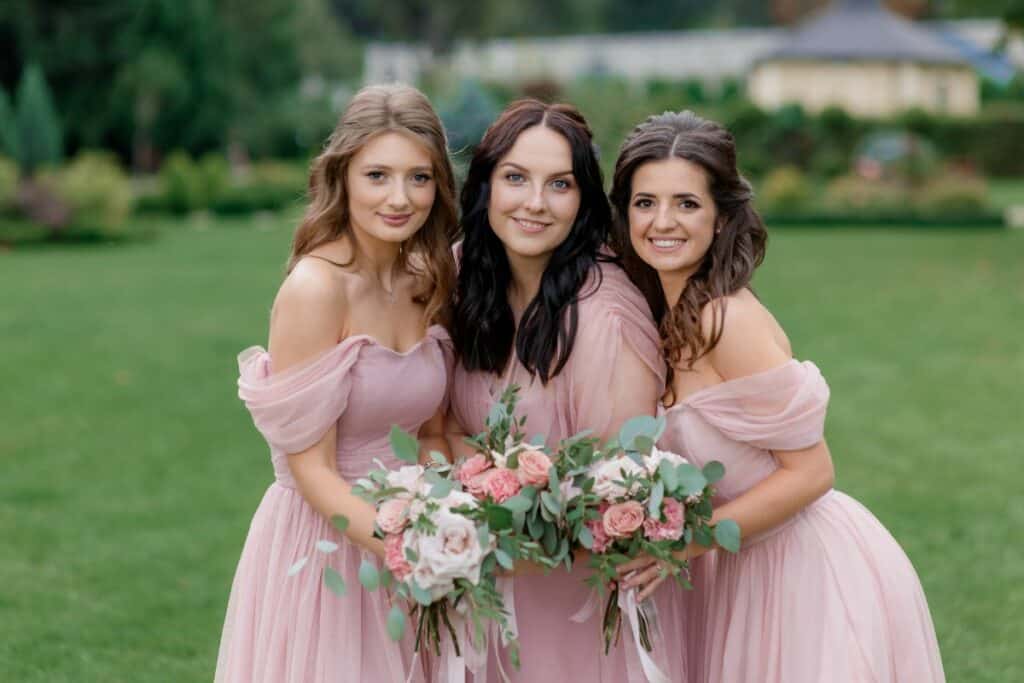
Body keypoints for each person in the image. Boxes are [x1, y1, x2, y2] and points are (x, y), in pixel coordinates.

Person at [611, 110, 945, 682]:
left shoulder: (724, 319)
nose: (662, 221)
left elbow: (812, 471)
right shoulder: (662, 315)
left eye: (686, 203)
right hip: (740, 567)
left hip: (801, 570)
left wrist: (683, 546)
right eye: (646, 203)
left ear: (720, 218)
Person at [214, 84, 457, 683]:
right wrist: (404, 552)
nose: (399, 198)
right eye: (377, 175)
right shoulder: (315, 289)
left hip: (416, 535)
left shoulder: (427, 278)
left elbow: (429, 431)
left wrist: (451, 520)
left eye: (418, 178)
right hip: (329, 545)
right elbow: (311, 469)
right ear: (342, 176)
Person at [448, 99, 687, 682]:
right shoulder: (462, 280)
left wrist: (500, 519)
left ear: (583, 202)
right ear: (484, 188)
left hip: (580, 601)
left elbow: (618, 494)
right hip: (486, 588)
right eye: (515, 178)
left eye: (559, 184)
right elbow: (437, 419)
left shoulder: (606, 316)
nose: (534, 203)